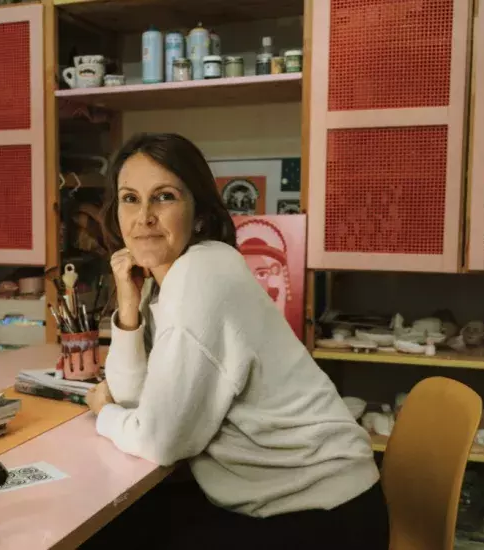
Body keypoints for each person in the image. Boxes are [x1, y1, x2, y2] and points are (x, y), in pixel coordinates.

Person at [83, 133, 389, 549]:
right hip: (293, 498)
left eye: (164, 197)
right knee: (121, 526)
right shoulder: (168, 280)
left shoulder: (200, 277)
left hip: (322, 514)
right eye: (130, 199)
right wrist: (128, 304)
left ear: (199, 215)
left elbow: (161, 441)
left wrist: (105, 415)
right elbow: (135, 399)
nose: (144, 217)